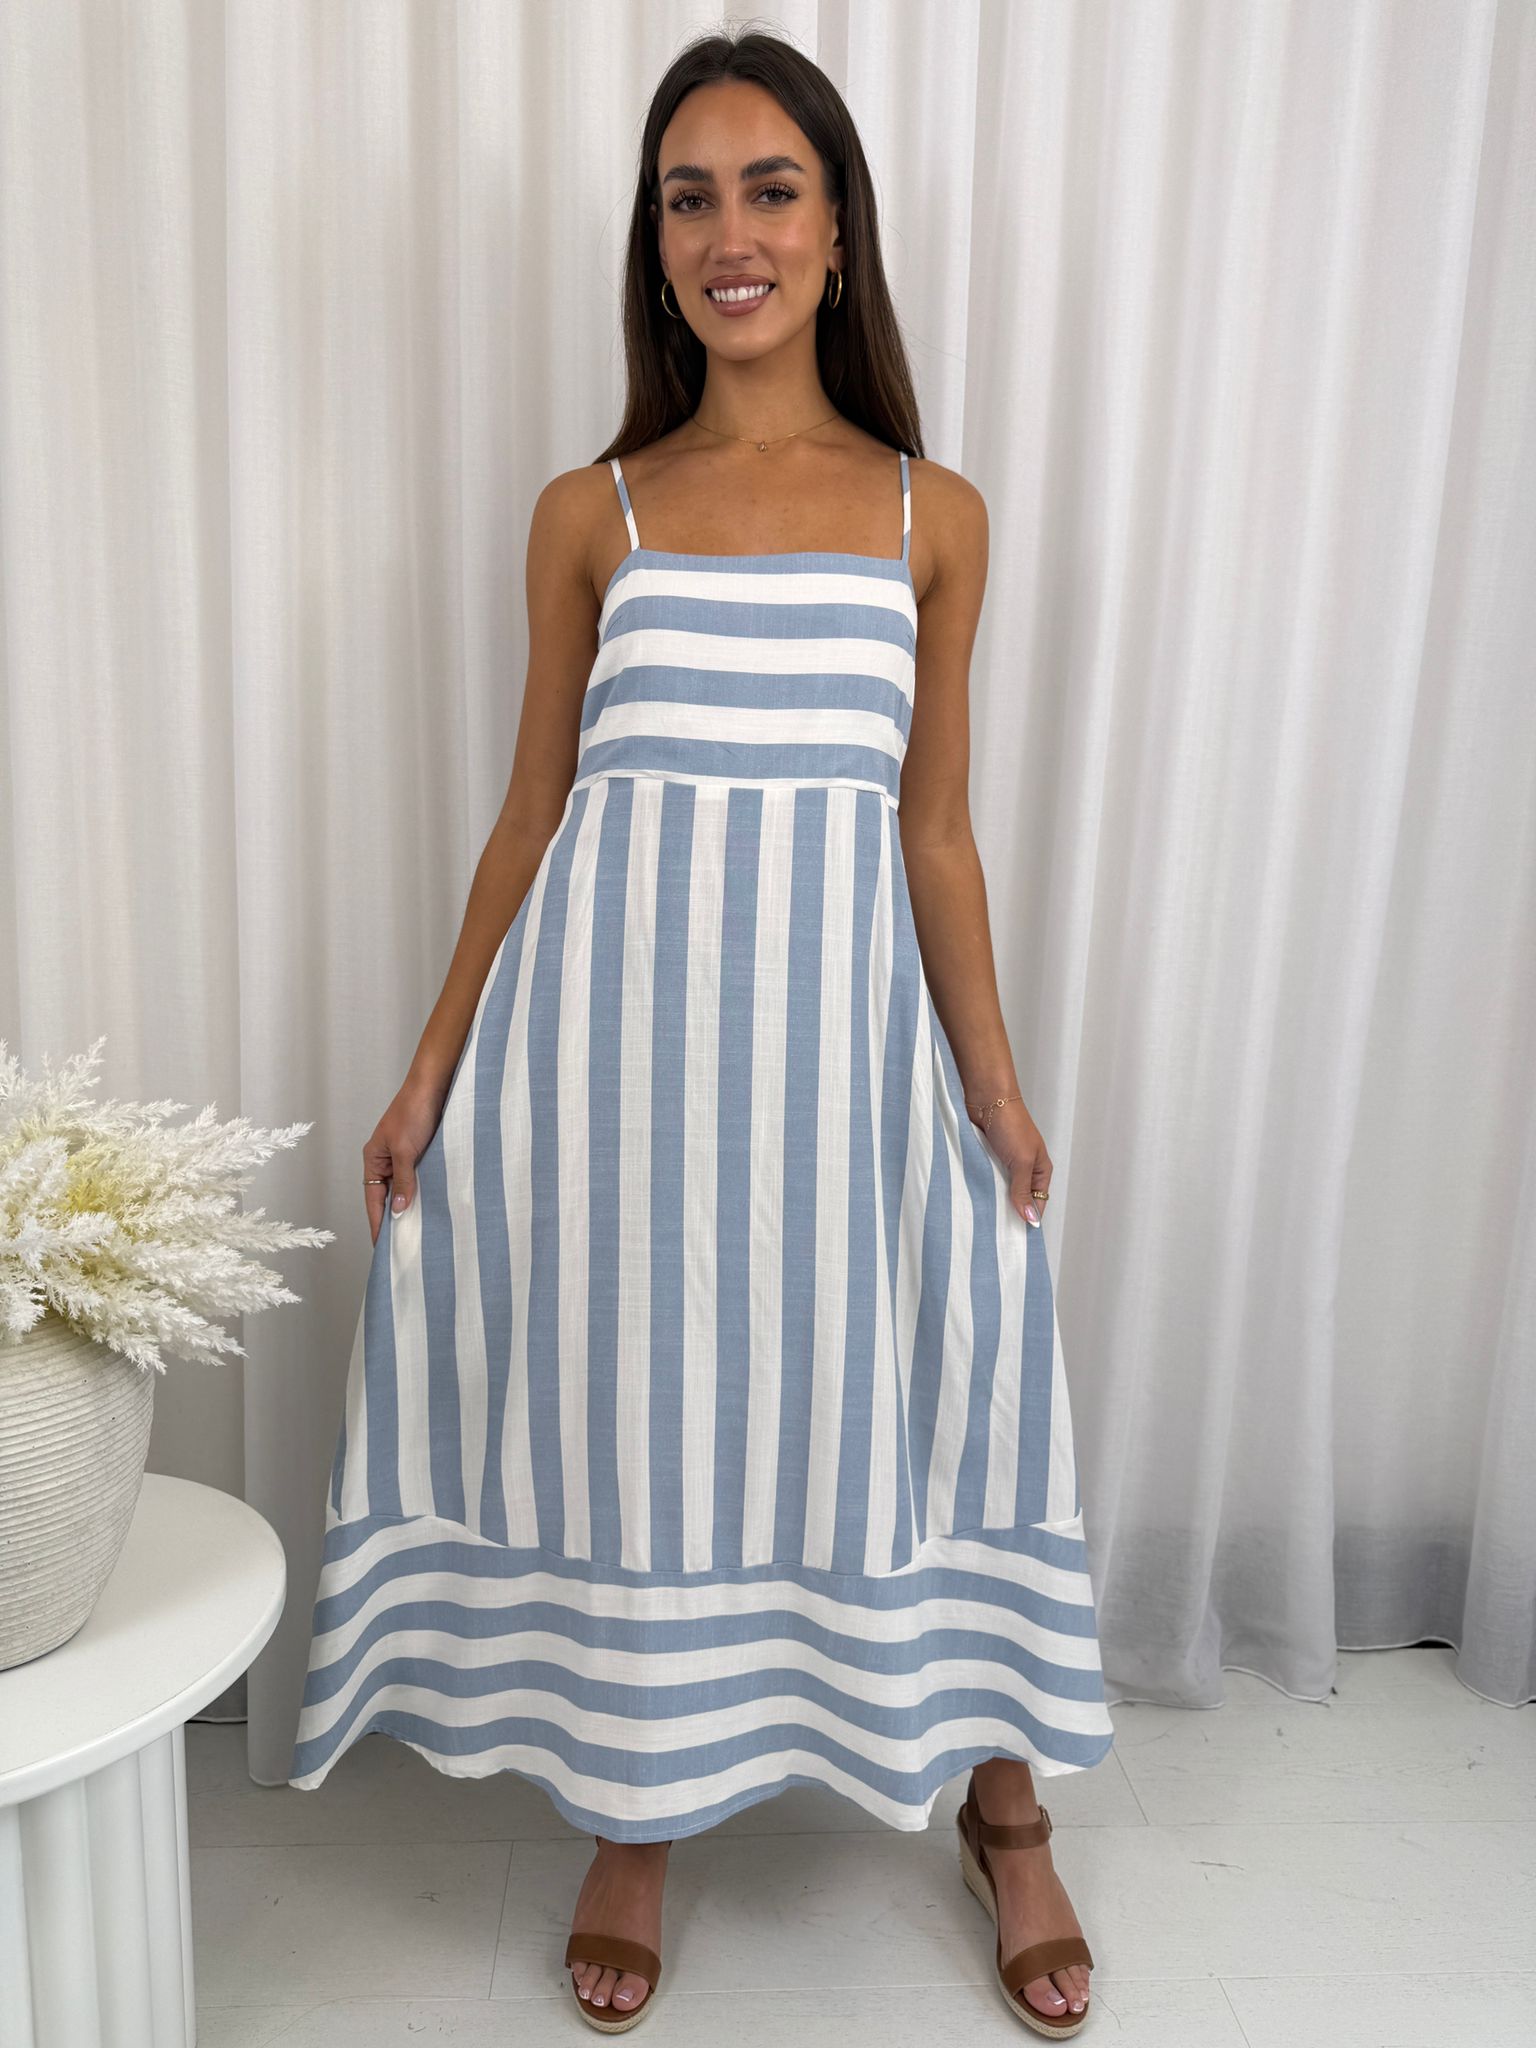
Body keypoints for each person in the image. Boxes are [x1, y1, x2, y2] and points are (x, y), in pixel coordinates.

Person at [288, 26, 1114, 2039]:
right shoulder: (598, 512)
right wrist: (430, 1068)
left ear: (838, 232)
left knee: (946, 1366)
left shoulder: (936, 513)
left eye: (768, 188)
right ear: (656, 246)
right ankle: (635, 1809)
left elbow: (933, 833)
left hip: (841, 1070)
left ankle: (1003, 1800)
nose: (727, 232)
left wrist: (992, 1088)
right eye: (688, 195)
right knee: (643, 1411)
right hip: (619, 1080)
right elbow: (530, 812)